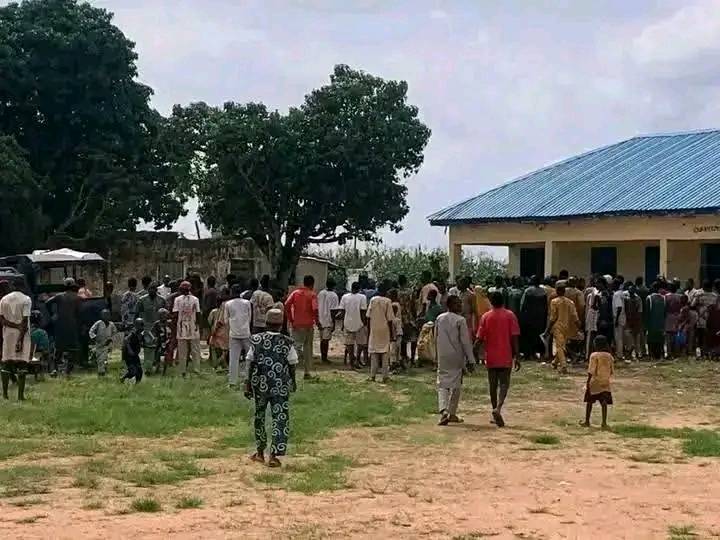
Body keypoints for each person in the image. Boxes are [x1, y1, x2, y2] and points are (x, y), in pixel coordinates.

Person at [245, 308, 298, 468]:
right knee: (280, 417)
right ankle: (274, 455)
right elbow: (292, 363)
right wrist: (293, 381)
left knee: (259, 416)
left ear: (266, 324)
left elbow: (250, 362)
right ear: (281, 325)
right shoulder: (287, 342)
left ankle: (260, 453)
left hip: (260, 384)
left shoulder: (256, 340)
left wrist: (247, 383)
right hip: (280, 385)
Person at [476, 291, 521, 428]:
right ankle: (498, 408)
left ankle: (494, 409)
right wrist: (517, 355)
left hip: (491, 355)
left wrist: (473, 351)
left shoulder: (486, 316)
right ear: (503, 301)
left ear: (491, 302)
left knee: (492, 385)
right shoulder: (510, 315)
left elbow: (479, 337)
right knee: (504, 384)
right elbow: (514, 336)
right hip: (505, 354)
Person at [435, 296, 475, 426]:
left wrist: (436, 354)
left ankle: (443, 411)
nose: (460, 306)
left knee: (442, 383)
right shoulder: (460, 320)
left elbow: (436, 336)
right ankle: (451, 412)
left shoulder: (440, 318)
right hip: (456, 355)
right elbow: (465, 341)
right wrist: (471, 359)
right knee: (456, 384)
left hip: (442, 354)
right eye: (457, 304)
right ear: (450, 305)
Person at [0, 277, 32, 400]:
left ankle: (5, 394)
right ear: (23, 286)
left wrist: (13, 325)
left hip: (7, 334)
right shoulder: (26, 299)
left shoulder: (3, 299)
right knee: (22, 364)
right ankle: (20, 396)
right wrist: (20, 339)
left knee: (6, 363)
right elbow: (25, 320)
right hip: (22, 334)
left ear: (13, 286)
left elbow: (2, 319)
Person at [284, 275, 318, 379]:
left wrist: (291, 319)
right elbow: (315, 309)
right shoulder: (312, 294)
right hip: (308, 325)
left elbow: (286, 304)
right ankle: (307, 372)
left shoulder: (295, 293)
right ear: (312, 284)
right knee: (308, 348)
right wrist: (317, 321)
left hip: (297, 324)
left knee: (295, 347)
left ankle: (290, 370)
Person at [46, 281, 82, 375]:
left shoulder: (59, 296)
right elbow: (79, 312)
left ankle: (54, 368)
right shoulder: (77, 298)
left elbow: (47, 302)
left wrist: (53, 314)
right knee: (72, 348)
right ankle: (68, 370)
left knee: (59, 347)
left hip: (60, 324)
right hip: (72, 324)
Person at [545, 283, 579, 373]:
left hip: (558, 326)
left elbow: (553, 317)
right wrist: (578, 325)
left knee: (559, 346)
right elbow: (574, 315)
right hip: (567, 327)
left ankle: (563, 366)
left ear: (557, 291)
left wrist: (548, 329)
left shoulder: (554, 301)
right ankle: (555, 362)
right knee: (562, 345)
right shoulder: (570, 302)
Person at [582, 335, 614, 429]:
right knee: (604, 402)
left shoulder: (594, 355)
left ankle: (587, 421)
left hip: (594, 382)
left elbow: (591, 370)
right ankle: (604, 422)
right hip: (605, 382)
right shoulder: (609, 356)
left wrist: (588, 382)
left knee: (589, 401)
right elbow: (611, 370)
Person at [224, 284, 253, 386]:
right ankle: (248, 379)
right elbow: (249, 318)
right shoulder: (247, 303)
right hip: (246, 333)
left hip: (234, 334)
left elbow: (225, 320)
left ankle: (232, 382)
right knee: (249, 357)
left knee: (233, 359)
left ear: (231, 292)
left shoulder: (228, 304)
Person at [366, 283, 395, 382]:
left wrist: (369, 329)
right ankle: (385, 376)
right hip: (384, 328)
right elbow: (390, 319)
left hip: (374, 328)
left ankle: (372, 375)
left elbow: (368, 317)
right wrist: (391, 333)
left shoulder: (373, 300)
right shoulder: (388, 301)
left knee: (374, 352)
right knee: (385, 352)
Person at [173, 281, 202, 377]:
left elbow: (175, 314)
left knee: (183, 351)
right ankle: (195, 369)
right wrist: (199, 327)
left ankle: (183, 370)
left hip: (183, 328)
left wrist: (174, 327)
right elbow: (198, 314)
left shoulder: (178, 299)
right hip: (191, 327)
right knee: (195, 350)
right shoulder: (195, 299)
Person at [137, 284, 166, 374]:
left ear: (156, 290)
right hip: (147, 327)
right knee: (148, 348)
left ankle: (157, 366)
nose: (151, 291)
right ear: (148, 290)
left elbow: (165, 313)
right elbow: (139, 313)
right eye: (150, 289)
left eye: (153, 289)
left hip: (158, 327)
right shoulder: (142, 300)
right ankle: (148, 368)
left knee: (158, 348)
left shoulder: (162, 300)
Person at [338, 282, 368, 370]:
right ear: (359, 288)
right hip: (359, 323)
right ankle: (357, 359)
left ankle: (352, 360)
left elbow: (342, 311)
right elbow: (363, 311)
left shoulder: (345, 297)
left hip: (348, 323)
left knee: (349, 343)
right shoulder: (362, 297)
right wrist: (364, 322)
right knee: (361, 343)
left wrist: (343, 323)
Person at [519, 275, 547, 358]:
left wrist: (522, 315)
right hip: (540, 318)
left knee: (528, 335)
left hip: (529, 317)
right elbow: (545, 306)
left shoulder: (528, 291)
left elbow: (522, 304)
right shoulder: (543, 291)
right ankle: (537, 352)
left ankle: (529, 353)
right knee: (537, 335)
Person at [691, 279, 718, 358]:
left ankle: (701, 354)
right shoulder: (715, 296)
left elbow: (692, 305)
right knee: (709, 338)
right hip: (711, 321)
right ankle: (708, 353)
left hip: (701, 320)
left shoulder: (699, 294)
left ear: (703, 287)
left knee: (700, 338)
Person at [317, 278, 339, 364]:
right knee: (325, 340)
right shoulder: (334, 295)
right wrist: (334, 322)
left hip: (320, 319)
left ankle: (323, 356)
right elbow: (333, 311)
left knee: (322, 340)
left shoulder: (321, 293)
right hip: (328, 320)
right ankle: (324, 358)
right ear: (334, 286)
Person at [89, 309, 117, 377]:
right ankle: (101, 373)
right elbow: (91, 331)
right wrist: (94, 338)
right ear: (101, 315)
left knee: (105, 358)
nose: (106, 316)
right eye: (104, 315)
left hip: (108, 344)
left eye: (107, 315)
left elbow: (115, 332)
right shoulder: (99, 323)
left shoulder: (111, 324)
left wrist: (111, 339)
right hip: (100, 344)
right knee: (100, 359)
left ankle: (103, 371)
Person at [397, 275, 418, 365]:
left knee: (403, 340)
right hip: (410, 318)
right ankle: (412, 358)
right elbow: (413, 305)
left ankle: (404, 357)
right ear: (406, 282)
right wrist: (415, 316)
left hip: (400, 318)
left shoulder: (396, 293)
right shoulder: (410, 292)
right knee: (413, 338)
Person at [645, 282, 666, 360]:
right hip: (661, 324)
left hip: (651, 324)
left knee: (651, 341)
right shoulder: (663, 298)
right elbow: (665, 313)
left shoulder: (649, 298)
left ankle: (651, 355)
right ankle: (659, 355)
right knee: (659, 341)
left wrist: (646, 325)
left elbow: (647, 313)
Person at [121, 318, 144, 383]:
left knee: (139, 371)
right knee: (133, 371)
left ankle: (137, 384)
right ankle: (123, 378)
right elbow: (126, 340)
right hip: (128, 355)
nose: (142, 327)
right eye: (141, 325)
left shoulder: (140, 333)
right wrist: (130, 350)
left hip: (135, 354)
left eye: (142, 325)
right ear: (137, 325)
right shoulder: (133, 332)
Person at [664, 281, 683, 359]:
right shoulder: (680, 296)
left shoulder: (666, 296)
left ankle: (669, 353)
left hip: (669, 316)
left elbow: (665, 307)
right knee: (675, 335)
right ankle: (676, 352)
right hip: (677, 316)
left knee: (668, 336)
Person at [624, 283, 644, 360]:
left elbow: (640, 312)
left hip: (636, 320)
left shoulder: (638, 299)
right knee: (629, 339)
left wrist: (638, 322)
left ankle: (637, 354)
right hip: (629, 320)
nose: (631, 292)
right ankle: (631, 354)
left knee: (637, 339)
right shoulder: (626, 298)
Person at [152, 308, 173, 375]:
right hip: (159, 340)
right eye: (161, 315)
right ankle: (157, 365)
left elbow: (172, 331)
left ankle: (167, 365)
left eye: (165, 314)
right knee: (157, 352)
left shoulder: (169, 323)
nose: (163, 316)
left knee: (168, 352)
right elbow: (153, 332)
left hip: (167, 340)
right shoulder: (157, 323)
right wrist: (154, 337)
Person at [30, 311, 50, 379]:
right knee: (40, 353)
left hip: (23, 356)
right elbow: (45, 348)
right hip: (35, 357)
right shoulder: (42, 332)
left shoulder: (24, 331)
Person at [610, 279, 627, 361]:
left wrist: (616, 319)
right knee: (621, 337)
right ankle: (621, 353)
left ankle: (619, 355)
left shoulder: (616, 294)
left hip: (618, 317)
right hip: (622, 317)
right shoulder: (621, 293)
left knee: (618, 338)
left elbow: (619, 307)